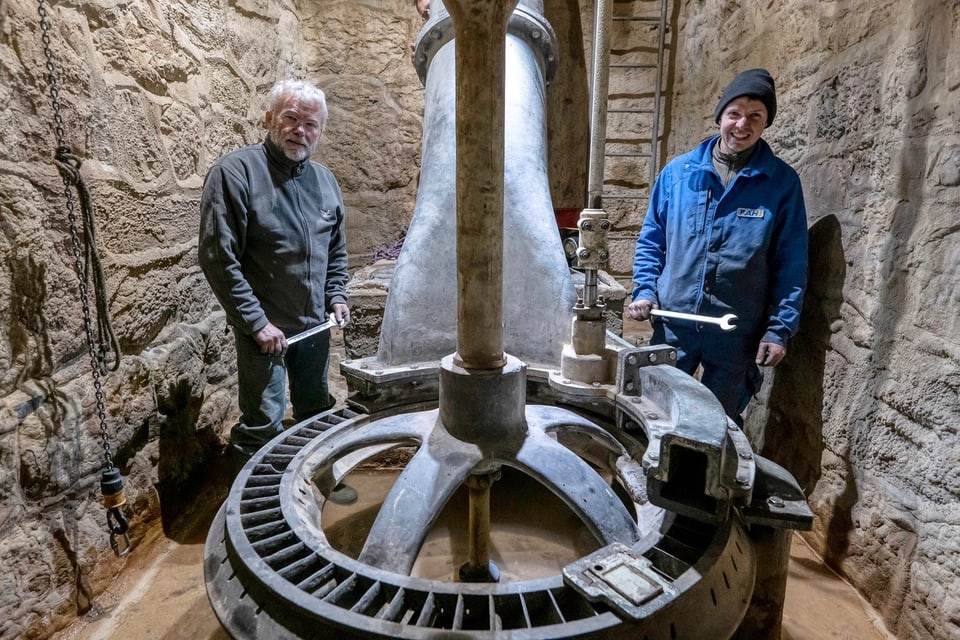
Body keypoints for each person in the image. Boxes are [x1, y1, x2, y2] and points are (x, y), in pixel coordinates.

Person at [199, 79, 355, 503]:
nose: (299, 131)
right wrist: (255, 322)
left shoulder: (325, 181)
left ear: (320, 131)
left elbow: (335, 249)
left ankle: (321, 482)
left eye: (310, 124)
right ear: (269, 119)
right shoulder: (235, 173)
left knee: (316, 409)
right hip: (265, 330)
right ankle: (251, 505)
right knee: (263, 420)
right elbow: (218, 258)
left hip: (313, 326)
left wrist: (336, 295)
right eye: (290, 118)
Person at [627, 68, 808, 425]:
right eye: (735, 113)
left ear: (766, 122)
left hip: (735, 335)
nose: (743, 124)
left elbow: (792, 263)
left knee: (717, 425)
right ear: (720, 117)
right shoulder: (678, 175)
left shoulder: (782, 184)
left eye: (755, 116)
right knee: (651, 413)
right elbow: (652, 240)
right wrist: (645, 288)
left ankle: (698, 482)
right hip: (674, 324)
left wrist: (779, 329)